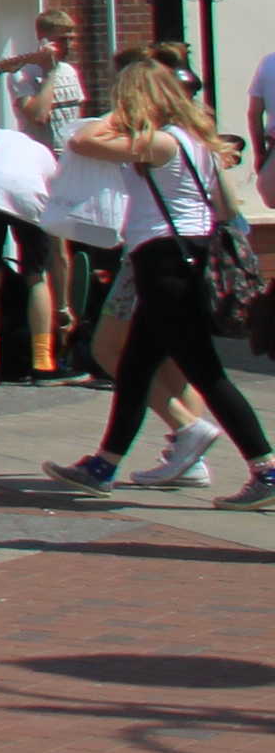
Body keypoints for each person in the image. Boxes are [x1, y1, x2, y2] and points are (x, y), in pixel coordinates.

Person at [51, 58, 275, 504]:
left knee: (206, 372)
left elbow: (80, 140)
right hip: (184, 256)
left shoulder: (160, 143)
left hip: (163, 261)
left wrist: (121, 113)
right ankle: (103, 464)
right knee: (134, 368)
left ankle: (266, 469)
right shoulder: (197, 140)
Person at [0, 64, 73, 384]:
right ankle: (43, 364)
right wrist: (63, 306)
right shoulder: (48, 156)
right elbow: (59, 250)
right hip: (29, 197)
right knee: (36, 278)